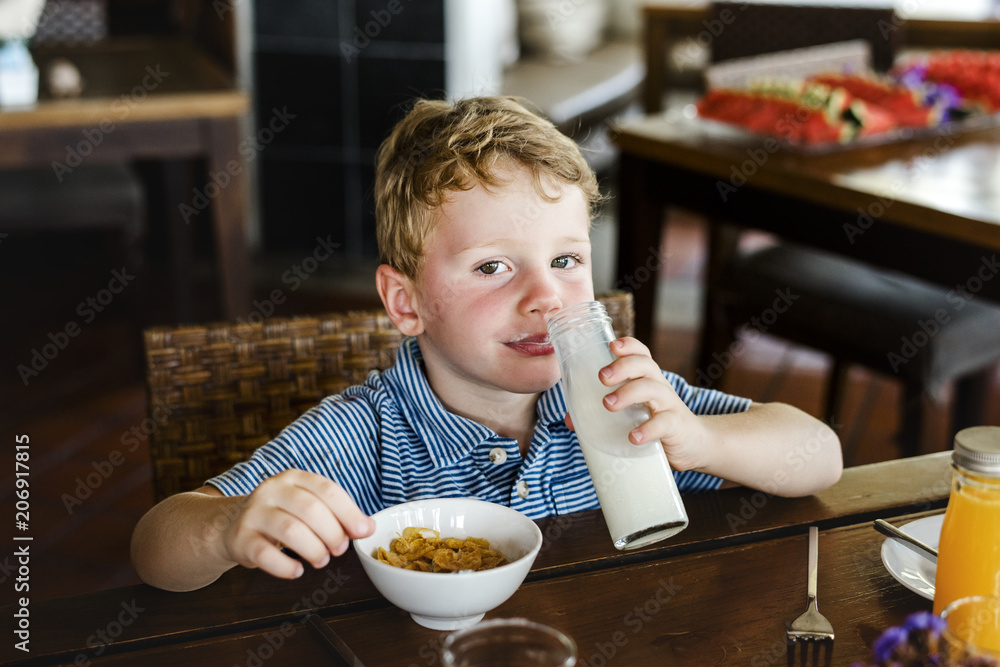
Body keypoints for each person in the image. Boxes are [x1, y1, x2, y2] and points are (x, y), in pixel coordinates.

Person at [131, 96, 842, 592]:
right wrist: (228, 526)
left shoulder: (618, 396)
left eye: (566, 260)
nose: (546, 296)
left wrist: (702, 441)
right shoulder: (368, 433)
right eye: (493, 266)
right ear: (406, 303)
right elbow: (154, 548)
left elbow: (821, 456)